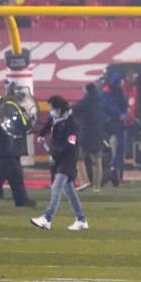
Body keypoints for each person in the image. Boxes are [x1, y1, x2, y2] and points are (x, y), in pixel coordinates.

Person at [30, 96, 89, 231]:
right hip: (59, 158)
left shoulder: (71, 124)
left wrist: (55, 153)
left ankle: (47, 218)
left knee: (56, 187)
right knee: (69, 191)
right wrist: (41, 134)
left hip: (67, 160)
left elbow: (70, 146)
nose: (50, 111)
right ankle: (81, 219)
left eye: (52, 108)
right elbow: (48, 125)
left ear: (60, 108)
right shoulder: (56, 118)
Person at [0, 82, 36, 208]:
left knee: (12, 177)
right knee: (11, 176)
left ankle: (22, 201)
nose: (21, 96)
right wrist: (30, 121)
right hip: (9, 148)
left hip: (6, 148)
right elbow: (20, 126)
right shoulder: (11, 107)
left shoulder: (6, 106)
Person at [72, 83, 107, 191]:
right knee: (97, 159)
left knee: (79, 157)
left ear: (86, 90)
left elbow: (71, 110)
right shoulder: (100, 102)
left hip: (86, 133)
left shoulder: (84, 102)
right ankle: (96, 187)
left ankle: (84, 181)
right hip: (99, 133)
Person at [101, 73, 129, 186]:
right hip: (111, 125)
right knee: (112, 150)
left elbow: (125, 107)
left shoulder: (115, 93)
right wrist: (120, 115)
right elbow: (109, 108)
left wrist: (124, 114)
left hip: (117, 125)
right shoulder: (106, 94)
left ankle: (116, 174)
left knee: (118, 150)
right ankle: (110, 173)